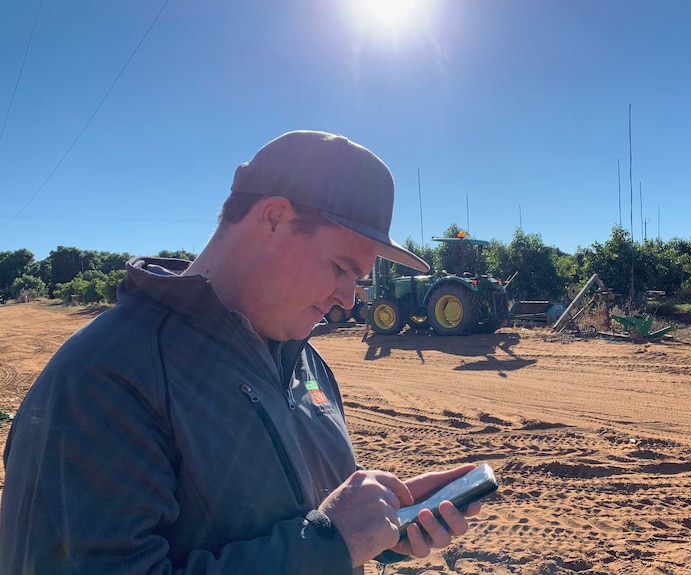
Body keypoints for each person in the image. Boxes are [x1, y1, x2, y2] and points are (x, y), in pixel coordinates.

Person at [0, 130, 483, 574]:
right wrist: (329, 542)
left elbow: (301, 520)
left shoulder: (306, 363)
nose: (350, 299)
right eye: (340, 268)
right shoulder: (102, 377)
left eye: (358, 280)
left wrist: (379, 528)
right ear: (274, 218)